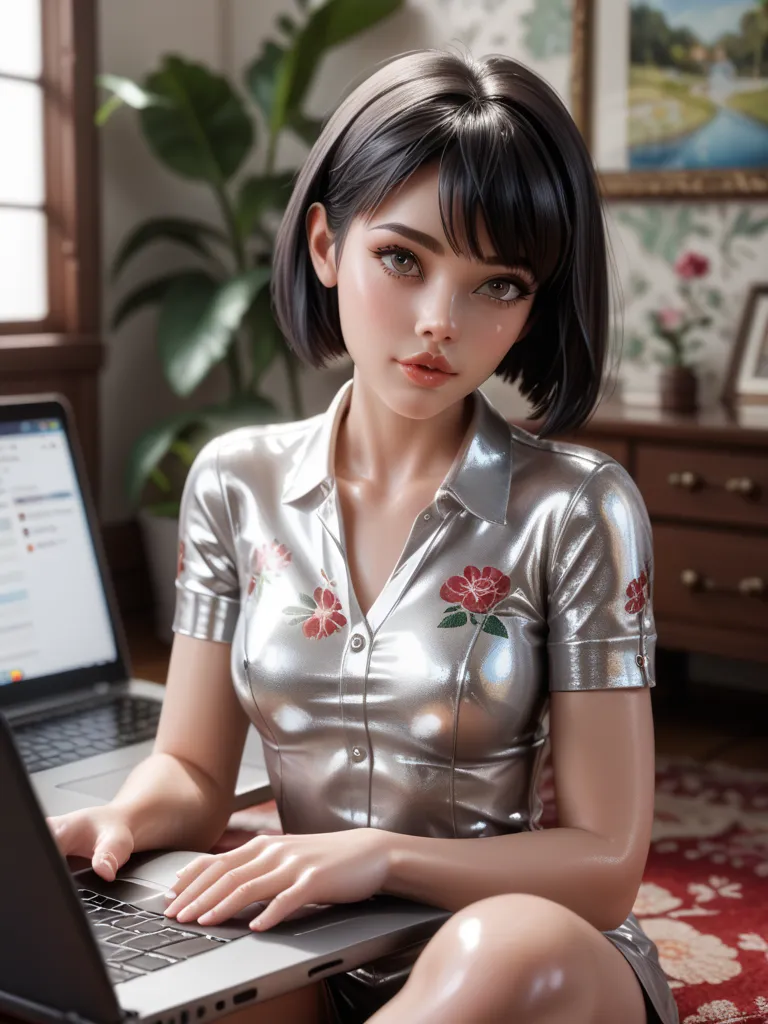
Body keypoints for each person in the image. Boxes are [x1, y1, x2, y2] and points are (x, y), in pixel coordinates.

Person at [48, 49, 679, 1024]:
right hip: (304, 943)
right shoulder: (234, 481)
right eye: (403, 257)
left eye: (497, 284)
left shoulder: (581, 508)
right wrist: (119, 818)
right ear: (325, 245)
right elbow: (196, 774)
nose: (440, 322)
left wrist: (377, 857)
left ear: (534, 303)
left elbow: (603, 865)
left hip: (527, 949)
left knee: (499, 952)